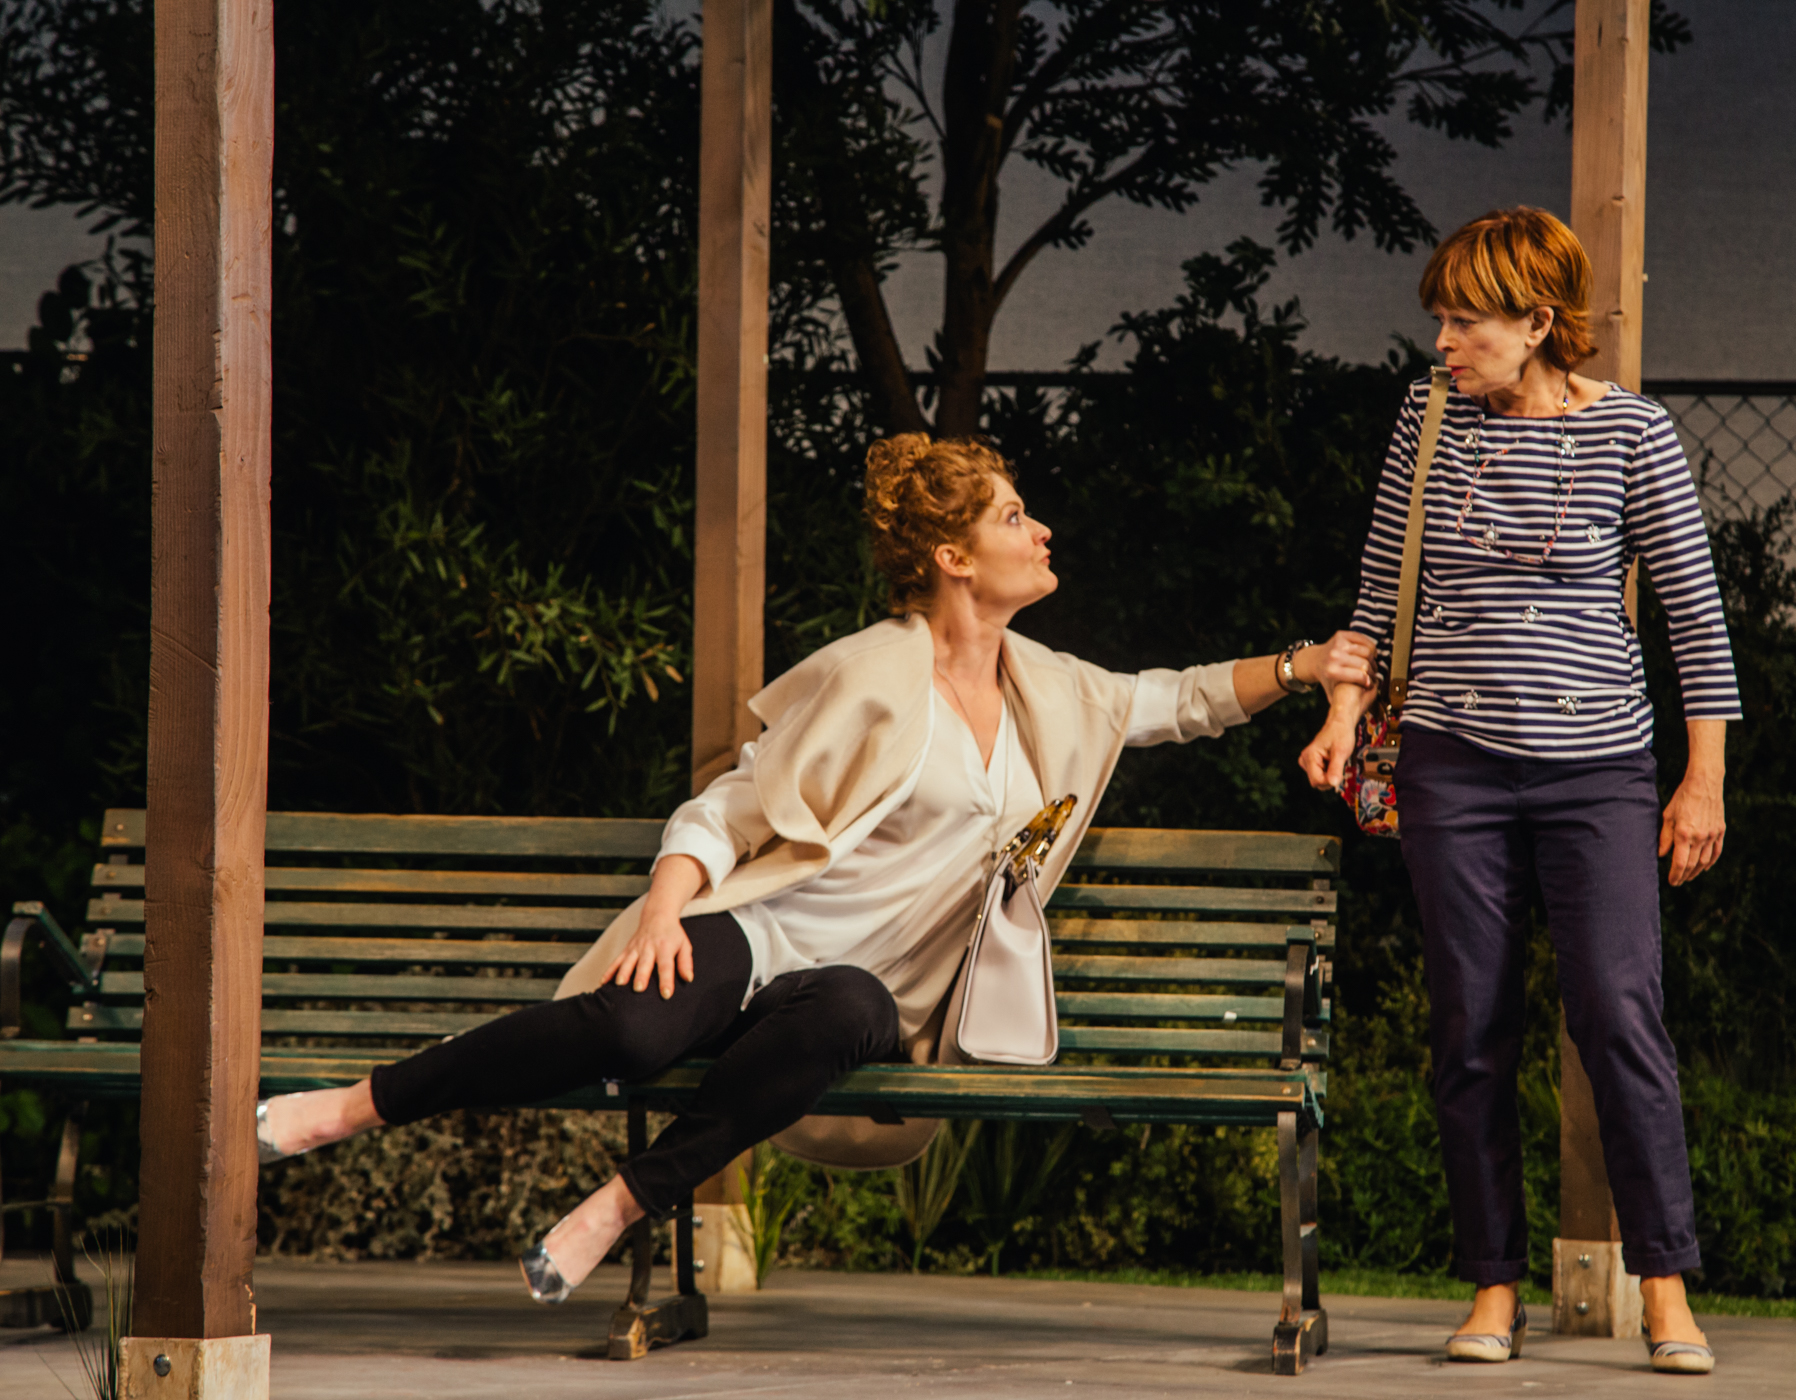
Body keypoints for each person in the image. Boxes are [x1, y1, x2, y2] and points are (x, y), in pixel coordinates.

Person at [256, 432, 1375, 1304]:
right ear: (952, 558)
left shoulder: (1053, 690)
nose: (1040, 532)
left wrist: (1300, 663)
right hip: (761, 932)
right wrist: (664, 904)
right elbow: (732, 803)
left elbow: (1173, 698)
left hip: (858, 992)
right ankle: (356, 1104)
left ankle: (622, 1203)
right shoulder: (870, 675)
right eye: (1014, 517)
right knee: (626, 1031)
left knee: (847, 1006)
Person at [1299, 207, 1738, 1376]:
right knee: (1473, 1025)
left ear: (1539, 320)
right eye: (1438, 318)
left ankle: (1666, 1284)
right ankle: (1494, 1285)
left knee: (1617, 1013)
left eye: (1465, 319)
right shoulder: (1427, 418)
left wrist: (1704, 781)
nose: (1443, 340)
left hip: (1600, 769)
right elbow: (1380, 585)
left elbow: (1696, 622)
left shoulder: (1637, 434)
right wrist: (1344, 713)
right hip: (1454, 764)